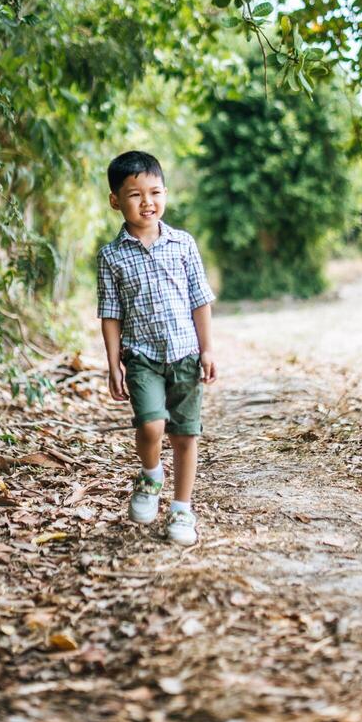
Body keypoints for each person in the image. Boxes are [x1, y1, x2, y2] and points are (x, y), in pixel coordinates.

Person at [96, 150, 216, 546]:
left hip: (184, 354)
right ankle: (151, 476)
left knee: (185, 435)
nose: (147, 202)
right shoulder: (111, 256)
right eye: (134, 195)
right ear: (116, 200)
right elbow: (110, 313)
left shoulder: (183, 244)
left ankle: (182, 510)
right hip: (141, 355)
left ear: (165, 193)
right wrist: (114, 364)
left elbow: (200, 300)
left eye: (155, 192)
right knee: (151, 424)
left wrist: (208, 349)